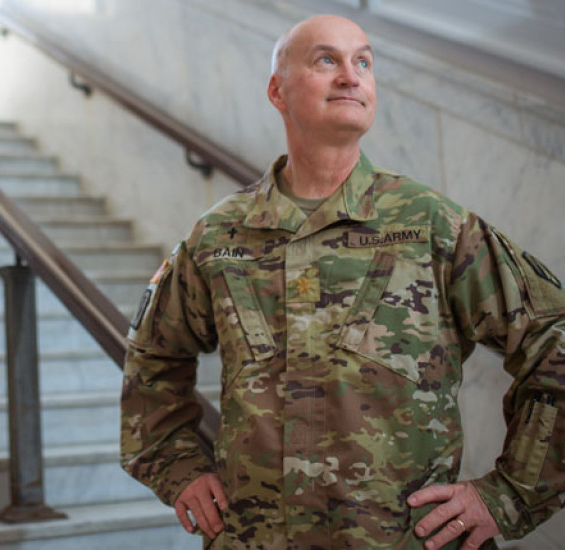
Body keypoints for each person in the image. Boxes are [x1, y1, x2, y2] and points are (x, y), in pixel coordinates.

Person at [119, 13, 565, 550]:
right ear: (276, 90)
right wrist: (179, 468)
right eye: (326, 60)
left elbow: (554, 336)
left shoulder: (431, 225)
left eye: (364, 62)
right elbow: (152, 357)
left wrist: (508, 494)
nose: (351, 76)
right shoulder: (218, 236)